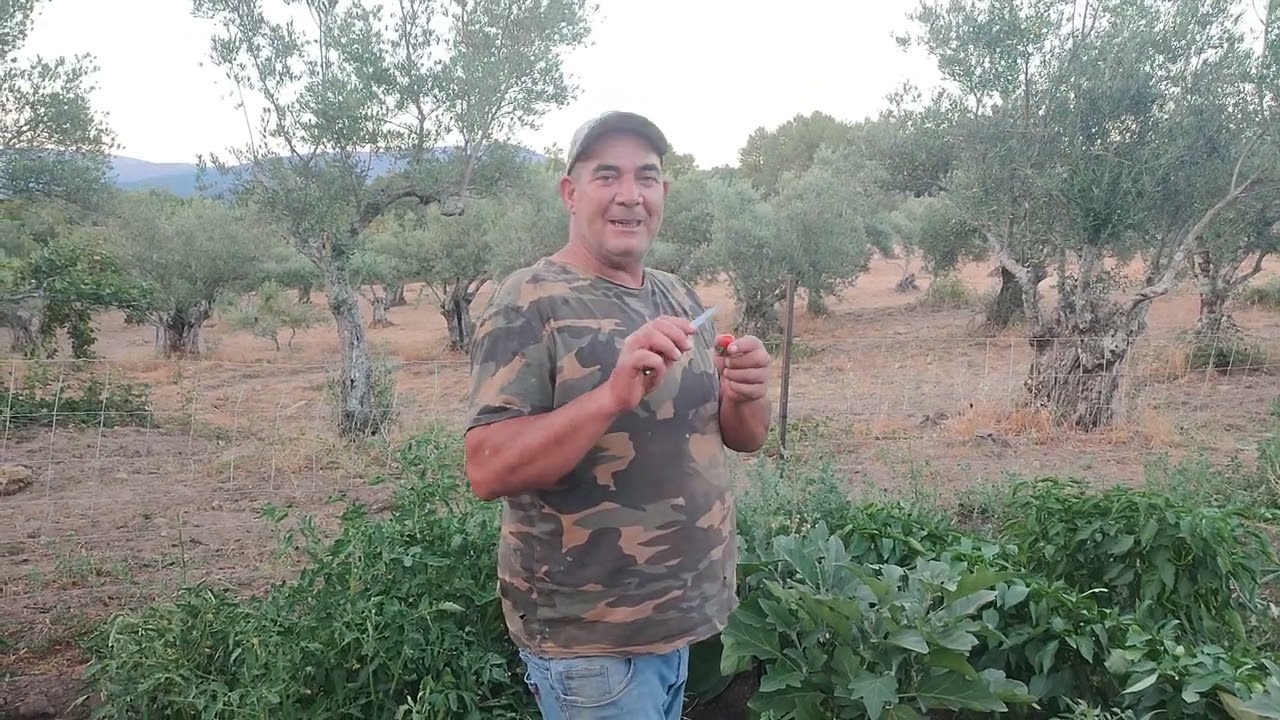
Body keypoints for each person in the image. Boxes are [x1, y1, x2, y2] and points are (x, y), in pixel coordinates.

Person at [462, 110, 773, 720]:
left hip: (683, 625)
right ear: (570, 192)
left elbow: (743, 440)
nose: (630, 195)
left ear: (663, 193)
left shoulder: (678, 295)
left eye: (647, 177)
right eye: (608, 176)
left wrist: (746, 393)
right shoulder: (528, 302)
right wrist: (611, 396)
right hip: (593, 647)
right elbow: (486, 468)